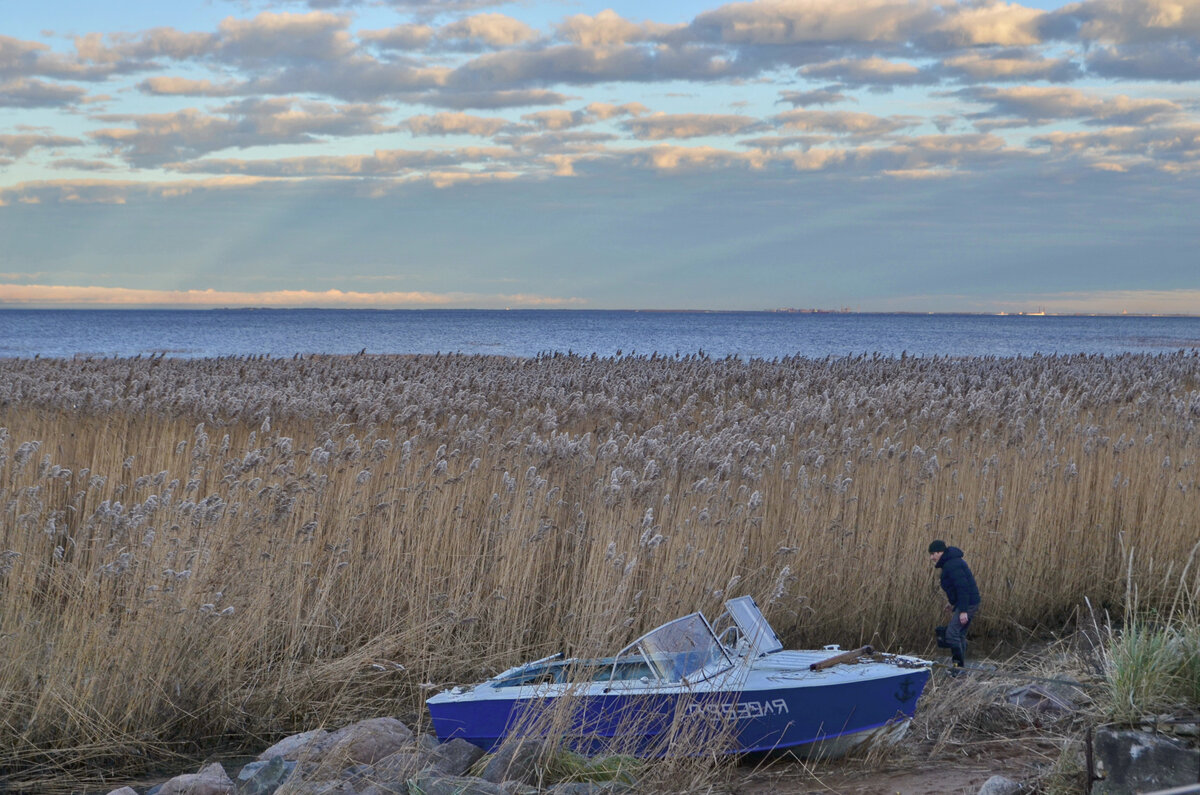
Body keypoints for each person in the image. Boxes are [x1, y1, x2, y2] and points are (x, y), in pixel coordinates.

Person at [928, 539, 981, 668]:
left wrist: (963, 611)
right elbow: (956, 588)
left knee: (951, 634)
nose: (931, 558)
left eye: (933, 554)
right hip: (968, 602)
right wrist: (952, 603)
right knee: (959, 634)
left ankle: (958, 667)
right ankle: (961, 667)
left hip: (968, 604)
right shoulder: (951, 562)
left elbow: (963, 588)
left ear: (940, 552)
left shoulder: (952, 564)